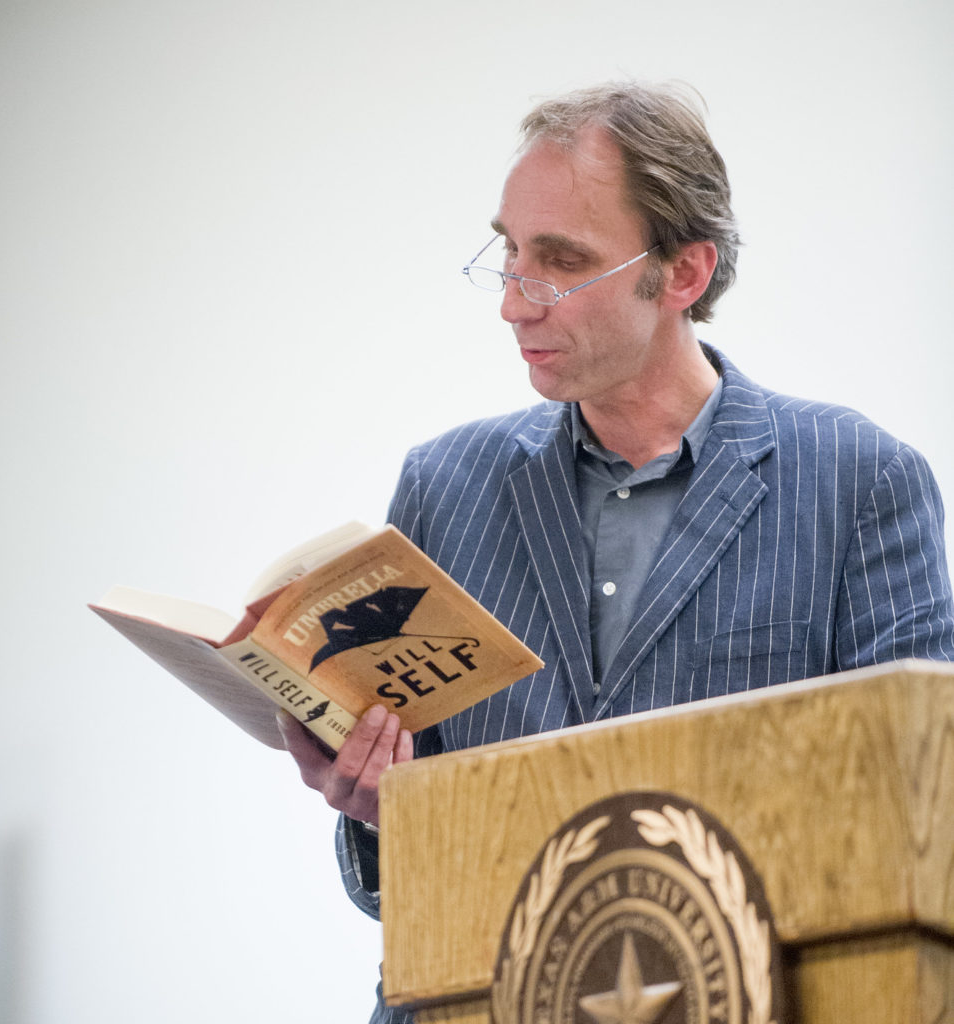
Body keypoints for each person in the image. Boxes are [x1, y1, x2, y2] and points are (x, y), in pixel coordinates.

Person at [276, 81, 954, 1023]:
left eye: (559, 263)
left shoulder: (858, 482)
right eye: (509, 255)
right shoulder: (443, 485)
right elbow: (395, 887)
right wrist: (371, 804)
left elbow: (921, 823)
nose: (514, 304)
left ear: (681, 274)